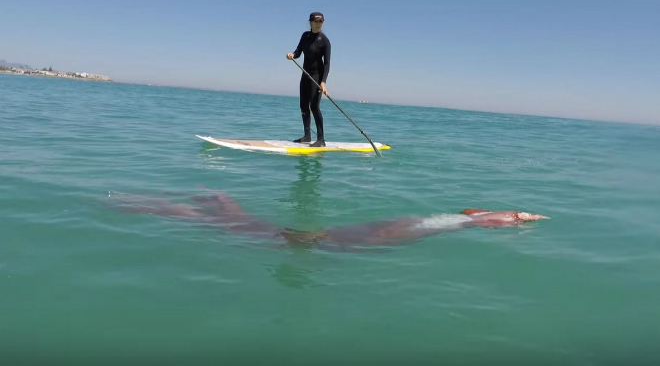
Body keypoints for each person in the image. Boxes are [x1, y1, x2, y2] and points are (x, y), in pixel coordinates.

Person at [113, 190, 550, 252]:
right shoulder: (468, 220)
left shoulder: (464, 218)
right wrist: (514, 217)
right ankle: (218, 201)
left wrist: (511, 215)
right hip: (337, 239)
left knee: (244, 227)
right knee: (243, 227)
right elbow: (476, 215)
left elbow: (474, 213)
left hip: (348, 236)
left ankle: (217, 203)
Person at [286, 12, 331, 147]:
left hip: (317, 77)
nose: (318, 24)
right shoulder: (305, 36)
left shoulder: (324, 41)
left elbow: (327, 63)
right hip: (305, 75)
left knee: (314, 106)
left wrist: (323, 82)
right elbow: (298, 51)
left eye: (320, 22)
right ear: (310, 22)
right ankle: (307, 136)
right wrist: (292, 55)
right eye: (316, 21)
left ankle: (321, 139)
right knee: (303, 105)